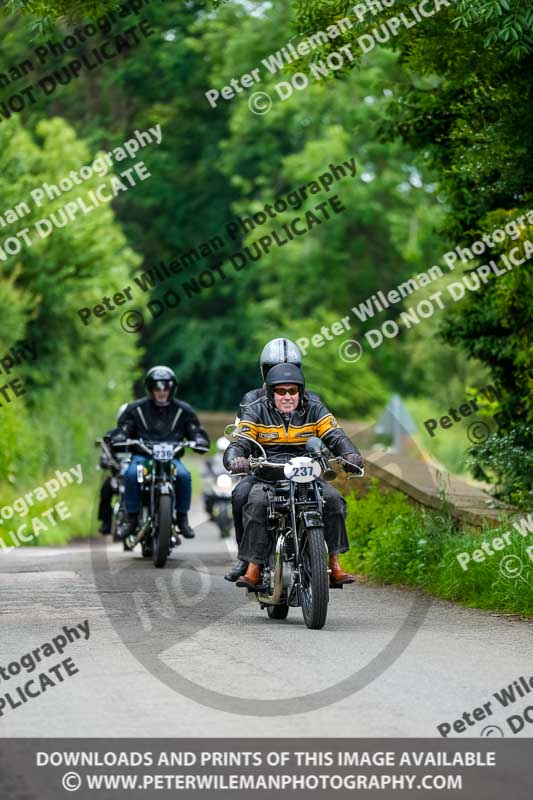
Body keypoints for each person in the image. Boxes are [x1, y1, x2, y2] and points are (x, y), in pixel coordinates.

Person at [223, 363, 364, 588]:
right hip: (268, 475)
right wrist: (235, 458)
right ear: (271, 392)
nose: (287, 396)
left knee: (334, 500)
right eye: (281, 391)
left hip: (308, 474)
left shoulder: (315, 408)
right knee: (256, 502)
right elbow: (241, 441)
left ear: (300, 391)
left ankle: (334, 563)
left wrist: (350, 454)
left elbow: (336, 435)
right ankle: (253, 566)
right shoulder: (256, 409)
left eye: (293, 391)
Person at [224, 337, 322, 582]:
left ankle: (322, 556)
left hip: (301, 468)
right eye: (272, 369)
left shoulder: (310, 399)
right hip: (262, 465)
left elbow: (329, 431)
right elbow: (241, 437)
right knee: (240, 496)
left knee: (329, 498)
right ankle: (246, 559)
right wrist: (240, 459)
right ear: (264, 372)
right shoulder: (252, 400)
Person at [109, 366, 209, 539]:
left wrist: (199, 439)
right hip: (143, 456)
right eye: (157, 388)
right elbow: (123, 428)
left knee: (184, 475)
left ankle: (182, 518)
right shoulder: (135, 409)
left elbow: (195, 430)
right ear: (150, 389)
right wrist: (120, 436)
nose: (162, 391)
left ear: (172, 388)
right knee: (131, 473)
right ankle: (131, 519)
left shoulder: (183, 410)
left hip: (171, 459)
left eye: (166, 387)